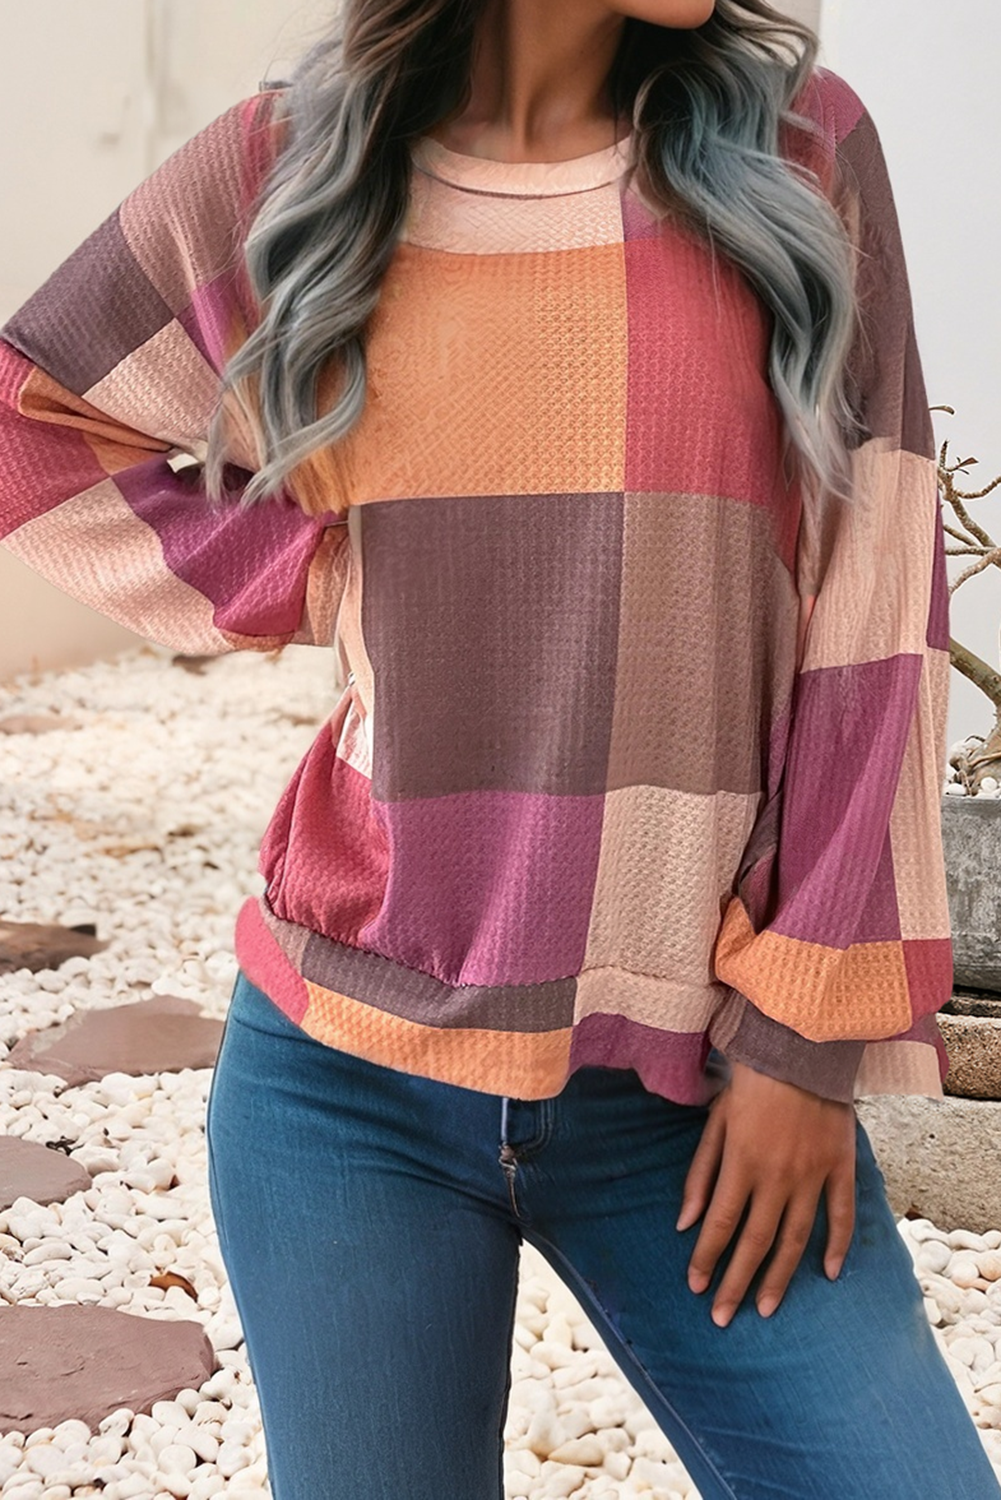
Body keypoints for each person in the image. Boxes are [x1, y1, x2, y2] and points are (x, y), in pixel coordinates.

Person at [1, 1, 997, 1495]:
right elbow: (32, 415)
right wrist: (321, 569)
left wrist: (805, 1046)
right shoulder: (298, 161)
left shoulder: (802, 154)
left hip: (693, 1083)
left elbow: (877, 607)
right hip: (346, 1082)